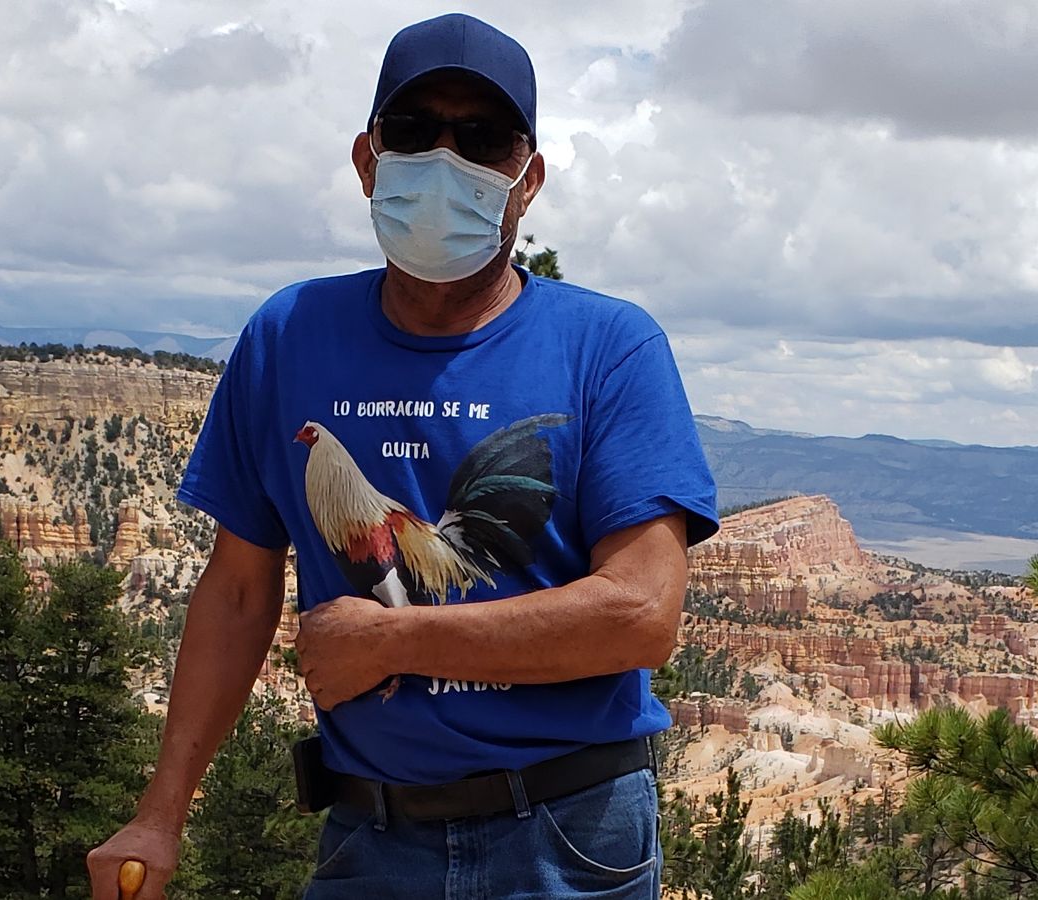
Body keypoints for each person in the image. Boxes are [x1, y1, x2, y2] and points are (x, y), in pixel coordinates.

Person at [88, 12, 718, 900]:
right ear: (367, 159)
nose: (446, 159)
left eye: (483, 138)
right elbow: (236, 592)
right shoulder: (289, 335)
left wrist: (395, 642)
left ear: (528, 179)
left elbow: (641, 614)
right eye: (416, 131)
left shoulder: (609, 346)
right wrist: (160, 814)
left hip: (568, 835)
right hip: (370, 836)